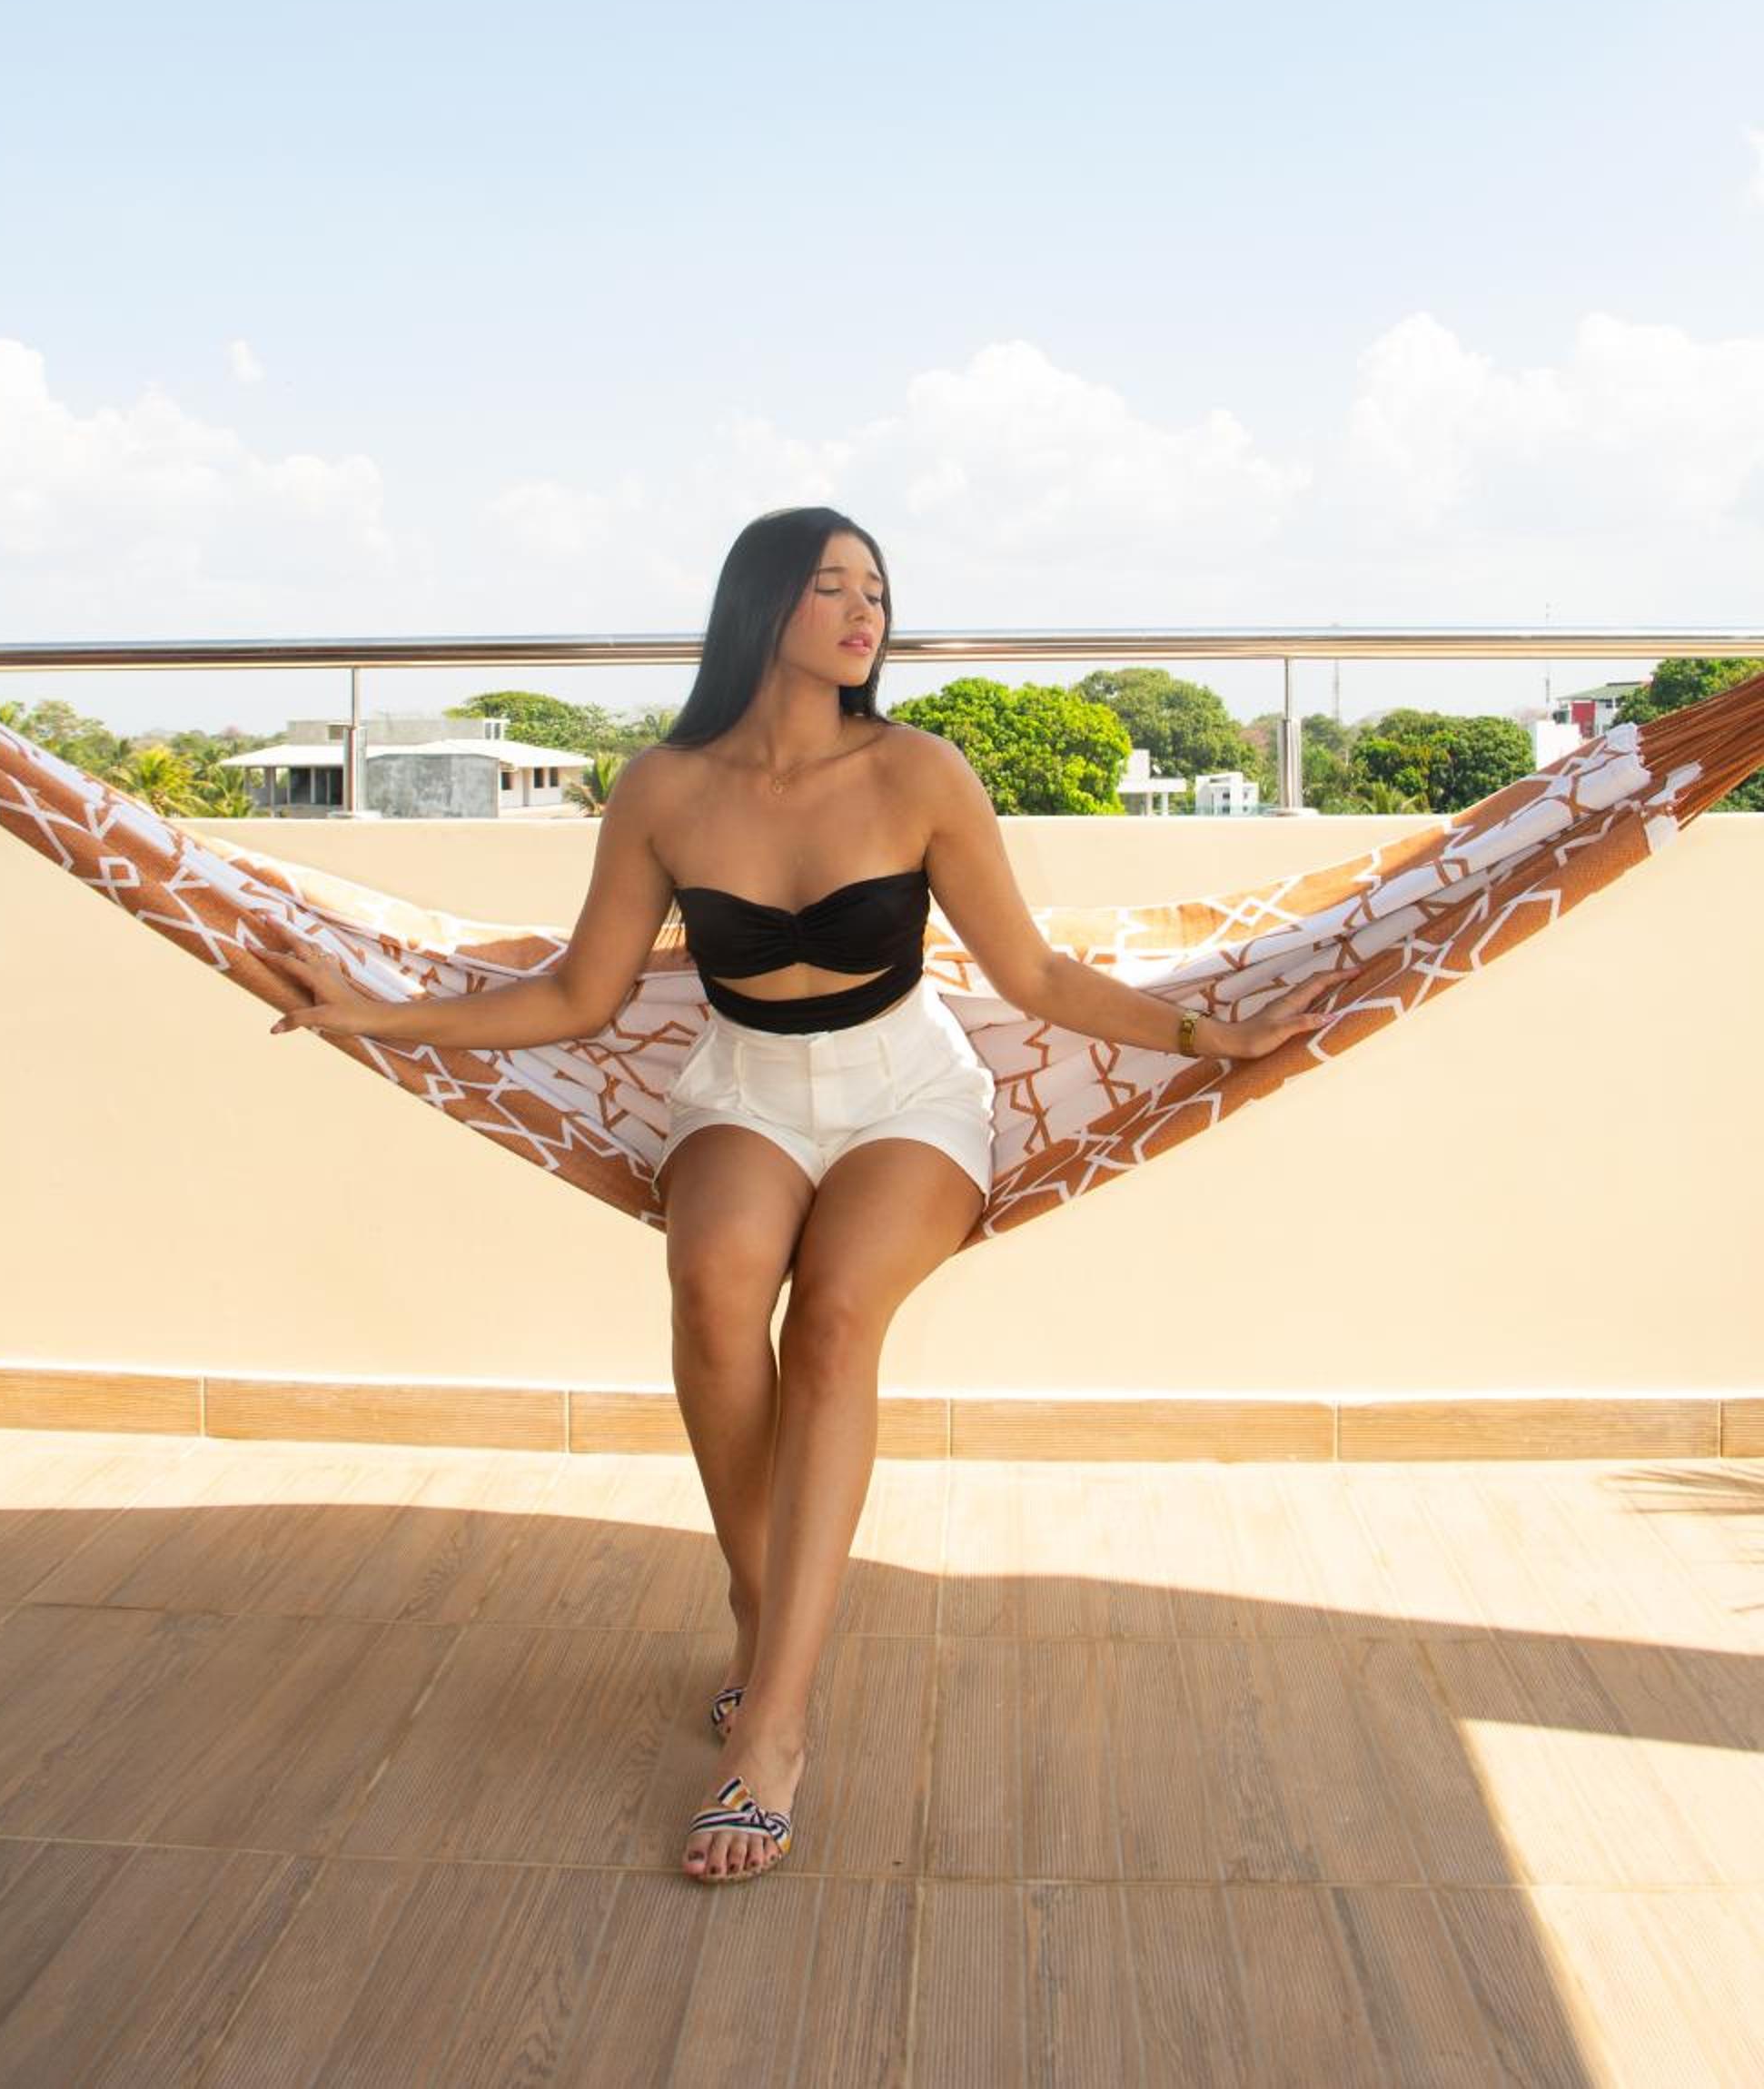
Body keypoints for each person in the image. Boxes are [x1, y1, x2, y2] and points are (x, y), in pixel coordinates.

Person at [266, 506, 1342, 1886]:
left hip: (910, 1095)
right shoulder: (665, 789)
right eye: (832, 586)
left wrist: (1213, 1038)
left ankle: (772, 1728)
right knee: (714, 1286)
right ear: (762, 603)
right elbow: (578, 994)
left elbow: (1033, 976)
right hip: (745, 1091)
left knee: (831, 1321)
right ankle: (761, 1600)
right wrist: (379, 1015)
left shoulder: (918, 770)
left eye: (876, 590)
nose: (864, 611)